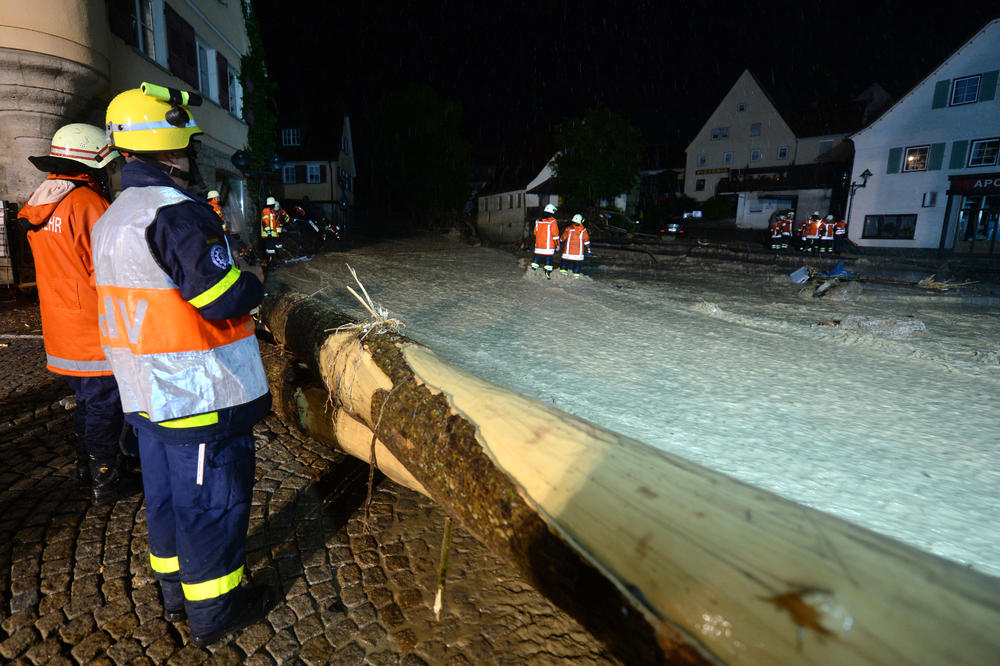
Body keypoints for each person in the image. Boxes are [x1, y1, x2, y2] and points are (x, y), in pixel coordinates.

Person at [94, 82, 274, 647]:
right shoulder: (175, 214)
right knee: (212, 509)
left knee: (169, 501)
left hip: (146, 394)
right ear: (170, 145)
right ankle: (216, 616)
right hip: (199, 397)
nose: (192, 155)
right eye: (188, 144)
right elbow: (221, 298)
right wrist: (256, 283)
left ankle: (175, 595)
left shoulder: (114, 216)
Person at [17, 123, 137, 506]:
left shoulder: (43, 200)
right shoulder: (88, 204)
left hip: (62, 325)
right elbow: (110, 270)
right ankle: (107, 479)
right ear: (92, 161)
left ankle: (87, 468)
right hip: (93, 327)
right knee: (105, 403)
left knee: (88, 402)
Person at [531, 203, 560, 278]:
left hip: (539, 245)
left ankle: (532, 271)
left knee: (536, 259)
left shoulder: (538, 220)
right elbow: (555, 235)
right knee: (548, 260)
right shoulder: (553, 221)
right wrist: (557, 245)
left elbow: (535, 232)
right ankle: (547, 274)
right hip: (548, 246)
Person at [559, 213, 590, 278]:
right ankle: (576, 275)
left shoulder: (568, 229)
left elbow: (563, 238)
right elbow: (586, 240)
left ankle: (563, 273)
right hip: (578, 253)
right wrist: (588, 249)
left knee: (564, 262)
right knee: (577, 264)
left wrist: (559, 242)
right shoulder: (583, 230)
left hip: (568, 252)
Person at [260, 196, 288, 266]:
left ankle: (275, 261)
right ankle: (271, 264)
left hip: (274, 233)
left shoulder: (275, 211)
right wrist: (269, 232)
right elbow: (265, 223)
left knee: (275, 248)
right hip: (268, 234)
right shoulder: (267, 211)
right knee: (270, 250)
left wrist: (284, 217)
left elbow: (286, 219)